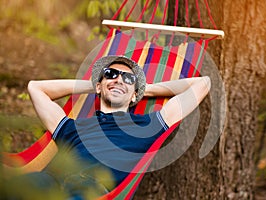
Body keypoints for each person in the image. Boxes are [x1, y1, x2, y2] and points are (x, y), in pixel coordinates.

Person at [5, 55, 211, 199]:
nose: (119, 79)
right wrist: (99, 84)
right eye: (111, 73)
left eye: (128, 78)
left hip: (90, 191)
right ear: (98, 85)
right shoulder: (71, 126)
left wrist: (142, 91)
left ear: (134, 95)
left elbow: (203, 83)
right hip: (49, 181)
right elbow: (35, 87)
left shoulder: (148, 125)